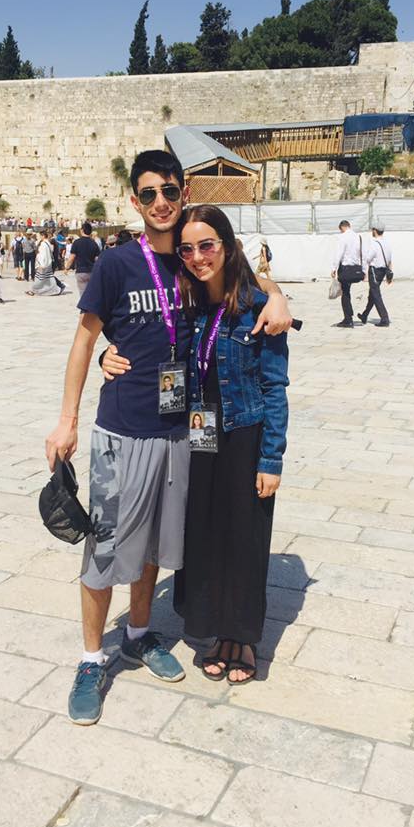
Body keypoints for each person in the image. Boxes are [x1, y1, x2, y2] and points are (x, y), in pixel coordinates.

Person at [45, 149, 291, 726]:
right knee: (106, 546)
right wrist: (68, 418)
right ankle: (89, 658)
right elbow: (84, 340)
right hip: (123, 429)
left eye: (170, 192)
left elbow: (244, 279)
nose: (161, 202)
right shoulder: (116, 264)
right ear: (135, 200)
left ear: (183, 194)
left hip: (181, 433)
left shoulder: (190, 260)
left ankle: (137, 632)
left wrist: (277, 294)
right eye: (149, 193)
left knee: (155, 545)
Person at [168, 204, 289, 684]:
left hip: (244, 432)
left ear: (227, 245)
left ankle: (242, 637)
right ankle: (214, 627)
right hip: (199, 430)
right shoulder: (188, 303)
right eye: (189, 248)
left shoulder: (259, 308)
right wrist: (108, 357)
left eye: (207, 245)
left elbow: (275, 387)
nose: (198, 257)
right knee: (206, 531)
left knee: (244, 536)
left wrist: (271, 458)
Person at [331, 219, 365, 328]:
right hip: (356, 269)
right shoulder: (358, 237)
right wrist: (364, 270)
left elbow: (339, 253)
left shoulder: (343, 237)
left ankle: (348, 319)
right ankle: (349, 316)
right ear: (349, 225)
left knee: (345, 293)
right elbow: (362, 254)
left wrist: (334, 268)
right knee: (347, 291)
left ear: (341, 228)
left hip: (345, 269)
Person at [358, 220, 393, 327]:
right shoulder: (387, 243)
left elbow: (368, 258)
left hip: (374, 270)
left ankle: (384, 318)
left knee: (376, 294)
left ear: (375, 230)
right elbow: (389, 259)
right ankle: (365, 315)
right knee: (372, 294)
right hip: (383, 271)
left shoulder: (374, 243)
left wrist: (363, 271)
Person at [66, 221, 100, 298]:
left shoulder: (77, 243)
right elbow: (97, 259)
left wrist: (67, 268)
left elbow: (72, 257)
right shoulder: (94, 243)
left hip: (81, 271)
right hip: (91, 271)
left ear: (82, 230)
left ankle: (84, 308)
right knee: (91, 292)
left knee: (83, 293)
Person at [27, 231, 64, 296]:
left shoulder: (44, 244)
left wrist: (42, 264)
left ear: (43, 236)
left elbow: (43, 255)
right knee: (48, 278)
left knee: (39, 279)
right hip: (47, 264)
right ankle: (58, 288)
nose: (39, 237)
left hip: (44, 265)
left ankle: (33, 290)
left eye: (40, 236)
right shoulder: (47, 243)